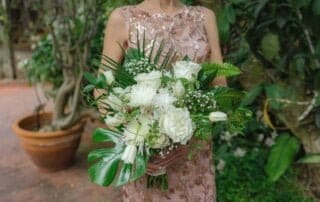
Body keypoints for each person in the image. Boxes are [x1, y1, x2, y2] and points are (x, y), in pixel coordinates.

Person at [101, 0, 227, 201]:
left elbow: (220, 82)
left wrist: (190, 133)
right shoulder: (123, 18)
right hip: (146, 156)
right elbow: (102, 88)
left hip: (194, 152)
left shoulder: (205, 17)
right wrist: (138, 142)